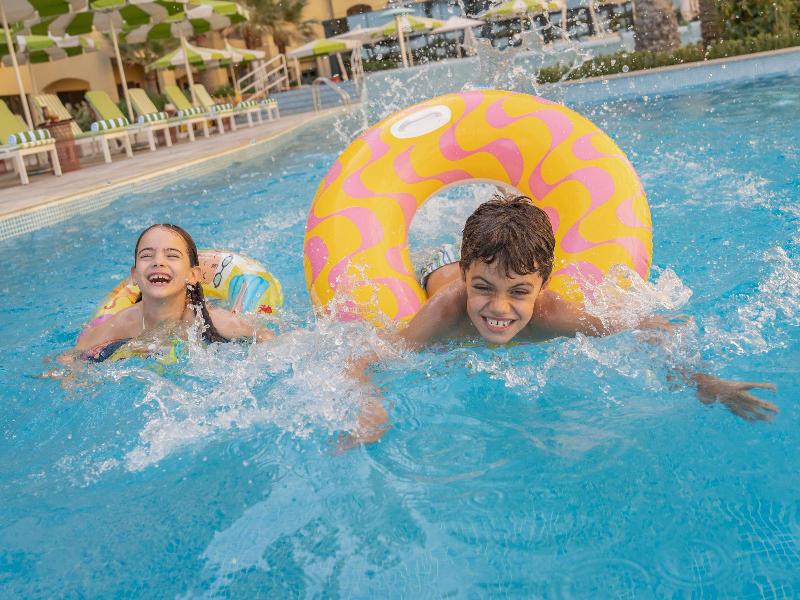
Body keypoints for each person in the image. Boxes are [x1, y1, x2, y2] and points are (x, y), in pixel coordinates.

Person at [346, 193, 777, 446]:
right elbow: (364, 358)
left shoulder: (552, 315)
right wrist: (370, 405)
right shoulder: (446, 311)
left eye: (519, 292)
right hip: (436, 265)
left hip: (489, 263)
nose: (499, 308)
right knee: (446, 261)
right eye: (482, 288)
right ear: (465, 278)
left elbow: (643, 330)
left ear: (543, 285)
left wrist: (701, 380)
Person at [62, 223, 273, 365]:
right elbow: (71, 356)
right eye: (147, 255)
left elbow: (266, 339)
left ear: (193, 275)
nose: (158, 262)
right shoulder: (124, 323)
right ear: (135, 276)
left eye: (172, 255)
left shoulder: (211, 320)